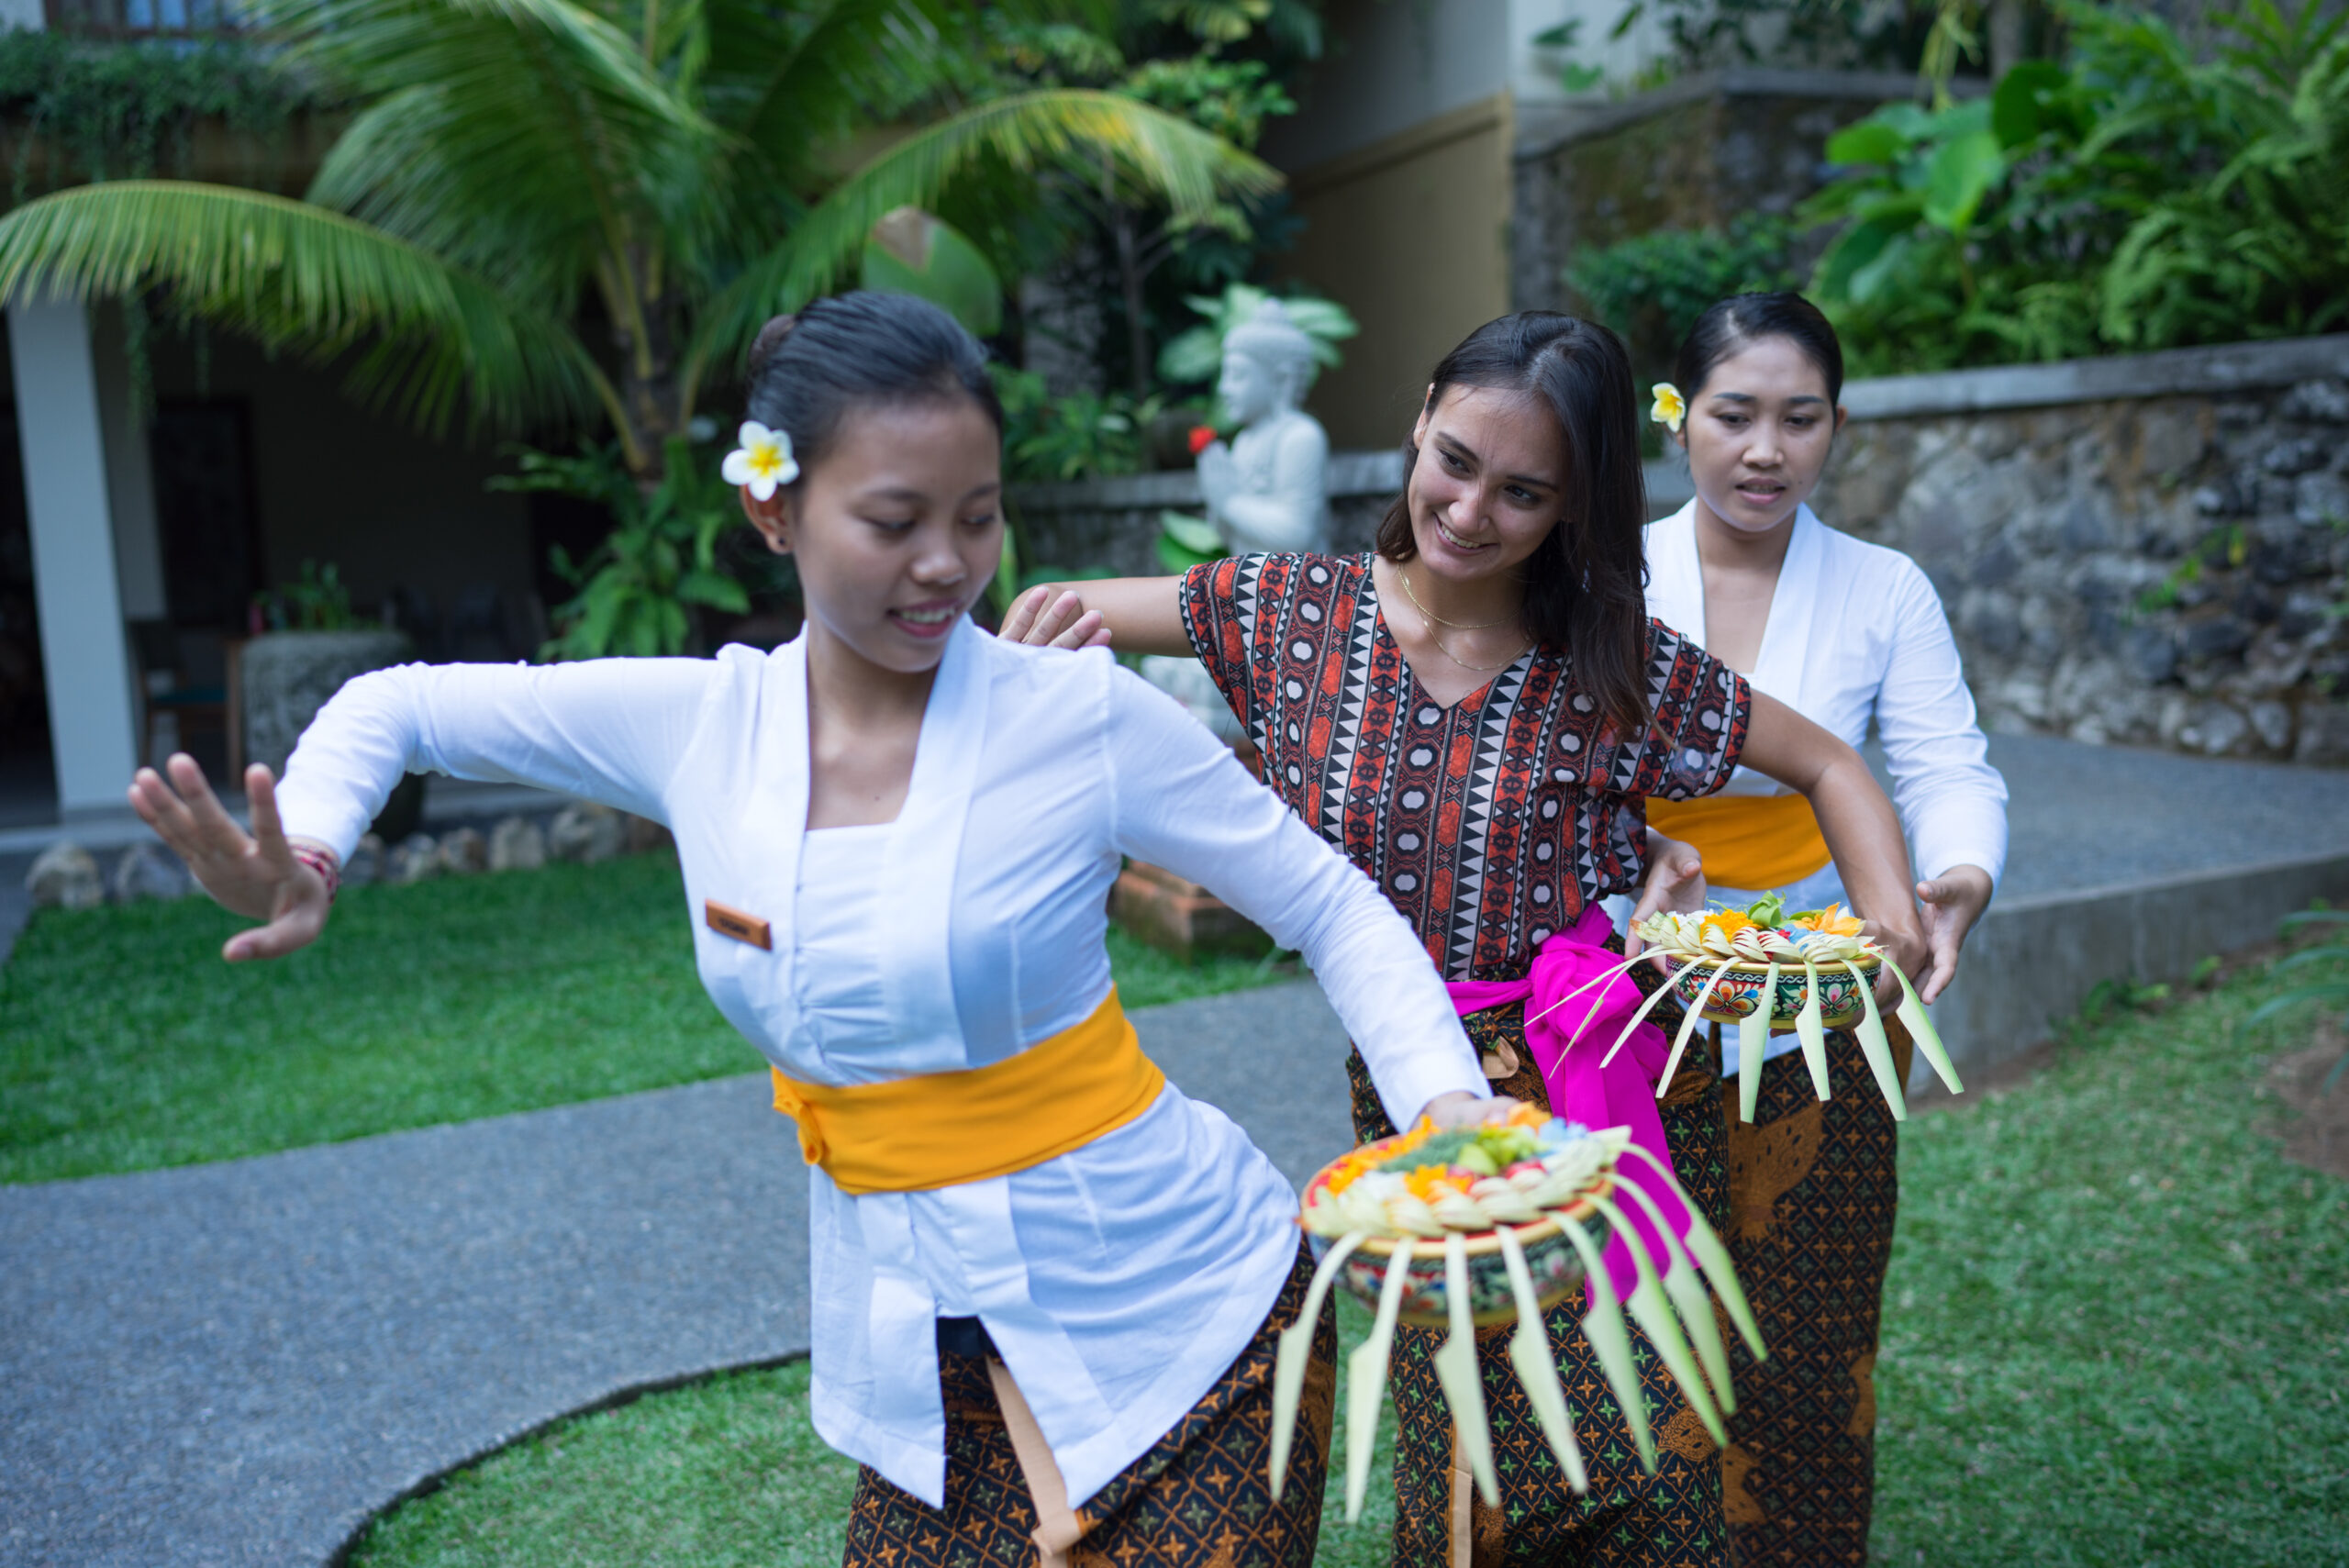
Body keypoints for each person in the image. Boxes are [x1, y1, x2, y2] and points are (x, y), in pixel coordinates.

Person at [125, 292, 1519, 1568]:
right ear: (774, 508)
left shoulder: (1075, 718)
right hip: (916, 1351)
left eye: (977, 516)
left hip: (1185, 1318)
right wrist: (309, 846)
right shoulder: (703, 727)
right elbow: (398, 705)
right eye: (894, 521)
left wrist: (1444, 1105)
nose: (946, 565)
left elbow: (1328, 899)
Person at [1003, 310, 1932, 1568]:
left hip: (1605, 1079)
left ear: (1572, 507)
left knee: (1659, 1436)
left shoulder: (1611, 663)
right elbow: (1052, 612)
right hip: (1416, 1090)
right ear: (1420, 420)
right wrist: (1017, 651)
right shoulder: (1287, 611)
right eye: (1454, 460)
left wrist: (1891, 918)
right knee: (1473, 1437)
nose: (1469, 510)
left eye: (1523, 491)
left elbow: (1827, 760)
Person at [1642, 292, 2007, 1565]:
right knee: (1646, 1293)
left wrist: (1954, 879)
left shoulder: (1883, 586)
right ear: (1679, 417)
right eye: (1734, 415)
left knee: (1814, 1300)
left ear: (1836, 427)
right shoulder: (1603, 574)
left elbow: (1945, 759)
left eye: (1800, 420)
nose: (1766, 450)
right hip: (1634, 965)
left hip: (1832, 968)